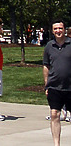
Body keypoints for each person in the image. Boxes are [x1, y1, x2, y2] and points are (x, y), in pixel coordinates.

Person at [43, 18, 71, 146]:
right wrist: (46, 84)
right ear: (52, 31)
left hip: (70, 86)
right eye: (56, 29)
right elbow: (46, 66)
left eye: (60, 28)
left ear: (65, 30)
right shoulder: (49, 46)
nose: (58, 31)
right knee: (54, 114)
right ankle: (56, 144)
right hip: (54, 86)